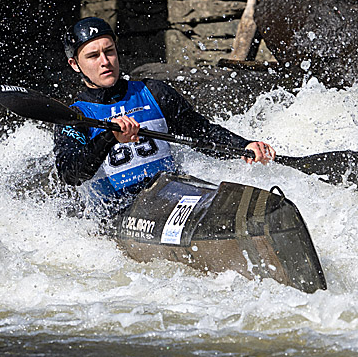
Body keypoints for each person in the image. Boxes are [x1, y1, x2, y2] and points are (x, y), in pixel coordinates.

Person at [54, 17, 276, 214]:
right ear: (75, 64)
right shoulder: (76, 116)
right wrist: (109, 137)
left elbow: (202, 132)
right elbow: (71, 174)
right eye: (93, 56)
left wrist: (246, 146)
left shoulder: (153, 92)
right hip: (119, 212)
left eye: (109, 51)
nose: (105, 61)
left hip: (171, 196)